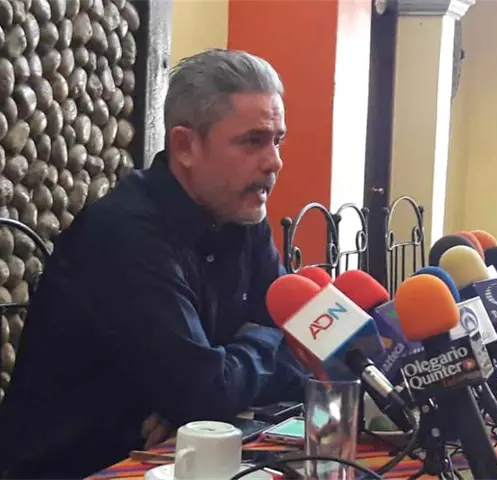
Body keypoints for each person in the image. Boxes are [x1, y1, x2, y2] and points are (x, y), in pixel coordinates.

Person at [0, 49, 308, 479]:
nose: (274, 161)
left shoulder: (240, 213)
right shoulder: (124, 233)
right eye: (253, 141)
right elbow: (208, 390)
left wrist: (198, 400)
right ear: (185, 146)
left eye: (278, 140)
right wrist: (252, 350)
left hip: (172, 459)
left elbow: (304, 344)